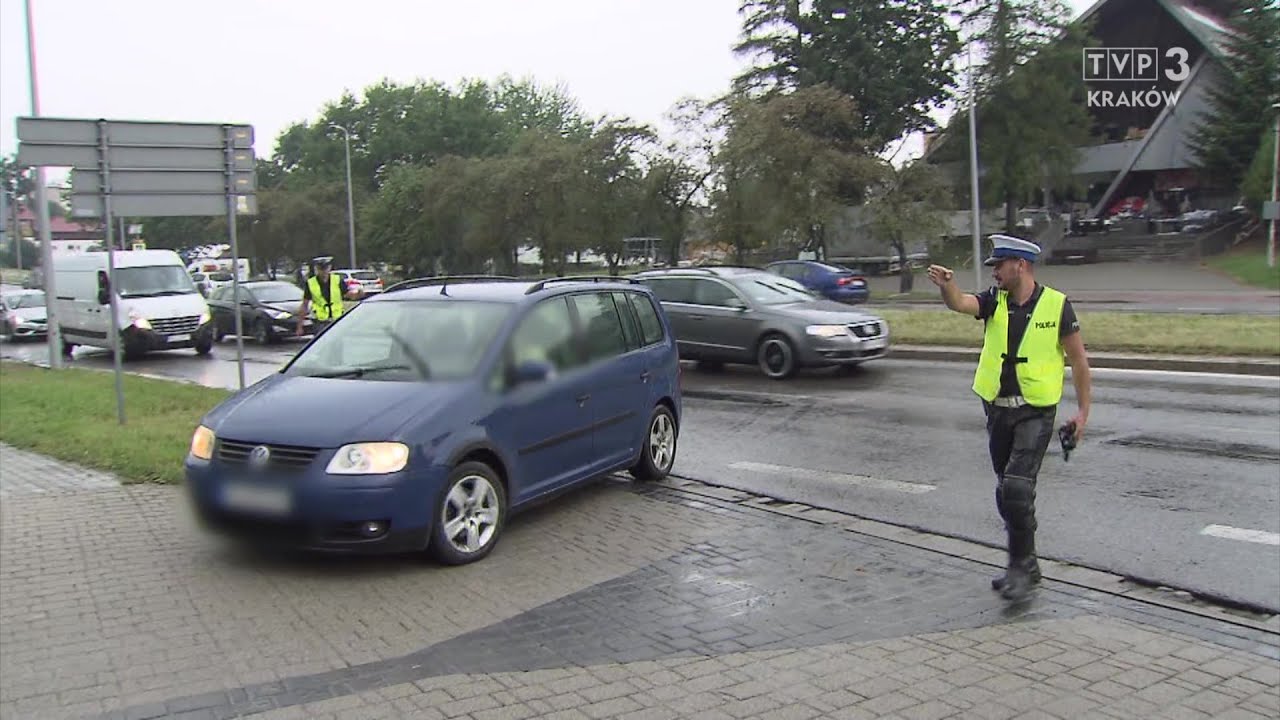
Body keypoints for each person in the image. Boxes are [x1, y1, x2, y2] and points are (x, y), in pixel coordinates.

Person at [926, 234, 1092, 602]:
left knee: (1017, 488)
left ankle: (1020, 567)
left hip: (1035, 410)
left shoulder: (1057, 305)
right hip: (997, 410)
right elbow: (960, 303)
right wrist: (948, 286)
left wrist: (1082, 413)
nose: (995, 271)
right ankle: (1028, 563)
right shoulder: (994, 300)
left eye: (1000, 265)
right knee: (1007, 491)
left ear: (1021, 265)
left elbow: (1079, 360)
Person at [296, 256, 362, 335]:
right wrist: (300, 326)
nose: (323, 271)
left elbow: (348, 295)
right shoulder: (311, 283)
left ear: (330, 267)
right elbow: (304, 305)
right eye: (321, 269)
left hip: (336, 320)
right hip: (319, 322)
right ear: (316, 269)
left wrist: (358, 294)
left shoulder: (337, 280)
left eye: (325, 268)